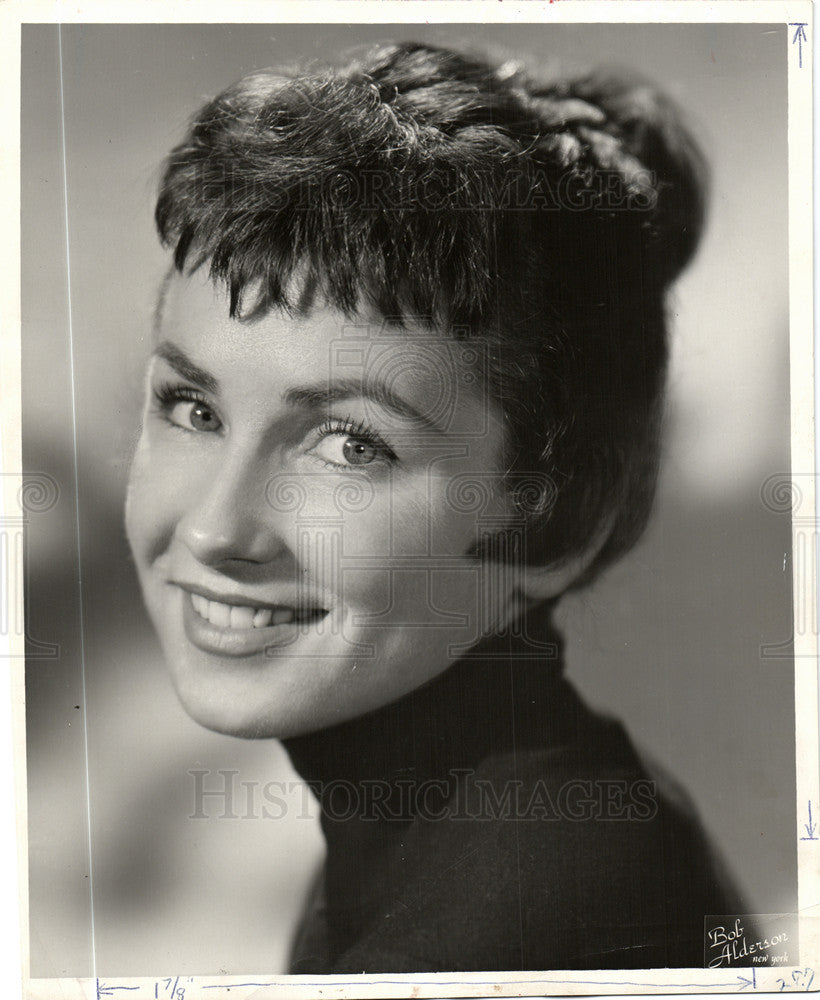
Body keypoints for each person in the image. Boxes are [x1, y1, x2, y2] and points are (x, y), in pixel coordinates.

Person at [125, 40, 746, 972]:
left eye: (350, 444)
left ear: (555, 518)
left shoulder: (530, 911)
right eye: (195, 408)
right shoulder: (481, 833)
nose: (216, 530)